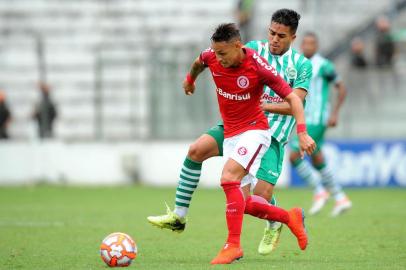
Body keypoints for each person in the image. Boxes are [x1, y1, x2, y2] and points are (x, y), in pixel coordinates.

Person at [148, 9, 313, 256]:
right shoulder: (251, 48)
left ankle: (275, 221)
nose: (274, 39)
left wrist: (271, 110)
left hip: (271, 133)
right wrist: (191, 79)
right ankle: (179, 217)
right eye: (271, 33)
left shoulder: (301, 65)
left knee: (259, 196)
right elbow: (221, 60)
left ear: (293, 37)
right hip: (235, 126)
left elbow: (295, 102)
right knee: (196, 151)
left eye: (281, 35)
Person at [289, 32, 352, 217]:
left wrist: (334, 113)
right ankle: (340, 197)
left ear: (316, 46)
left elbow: (341, 87)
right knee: (317, 160)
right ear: (301, 45)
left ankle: (319, 191)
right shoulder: (298, 63)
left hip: (317, 119)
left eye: (312, 43)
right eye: (305, 43)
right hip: (305, 118)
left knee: (293, 156)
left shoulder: (324, 65)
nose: (308, 46)